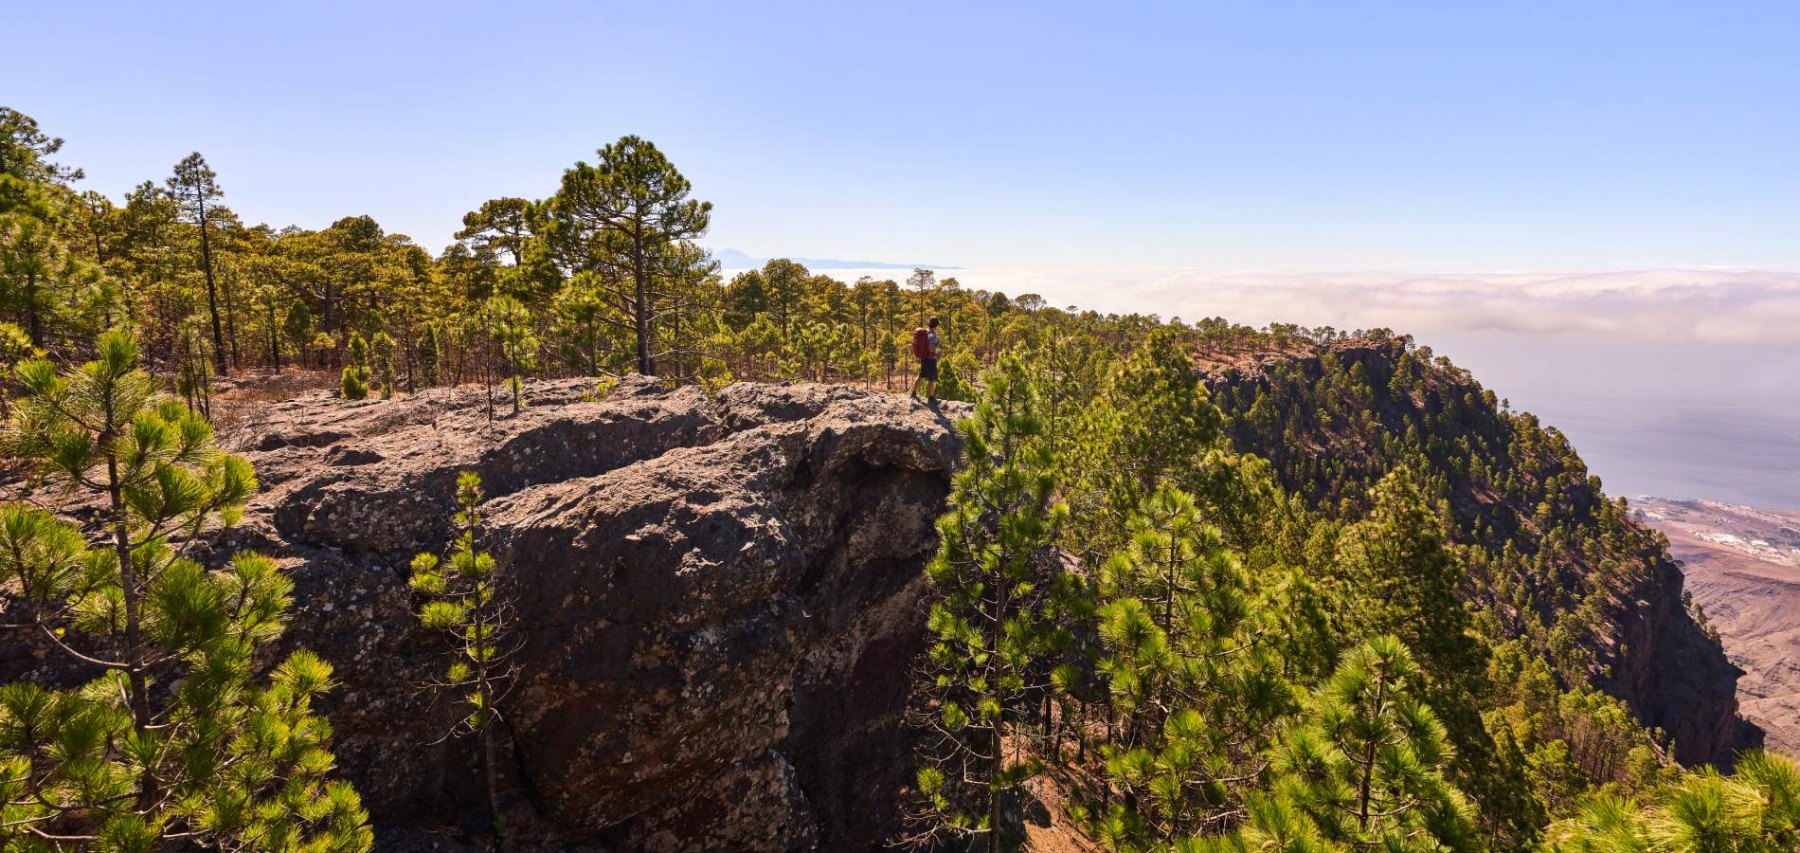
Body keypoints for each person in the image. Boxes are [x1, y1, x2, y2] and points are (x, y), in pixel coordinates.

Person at [910, 316, 941, 402]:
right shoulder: (932, 335)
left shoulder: (925, 332)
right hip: (930, 358)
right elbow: (931, 348)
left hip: (924, 358)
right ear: (936, 325)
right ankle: (931, 397)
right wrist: (935, 349)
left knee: (921, 375)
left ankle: (913, 393)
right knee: (932, 378)